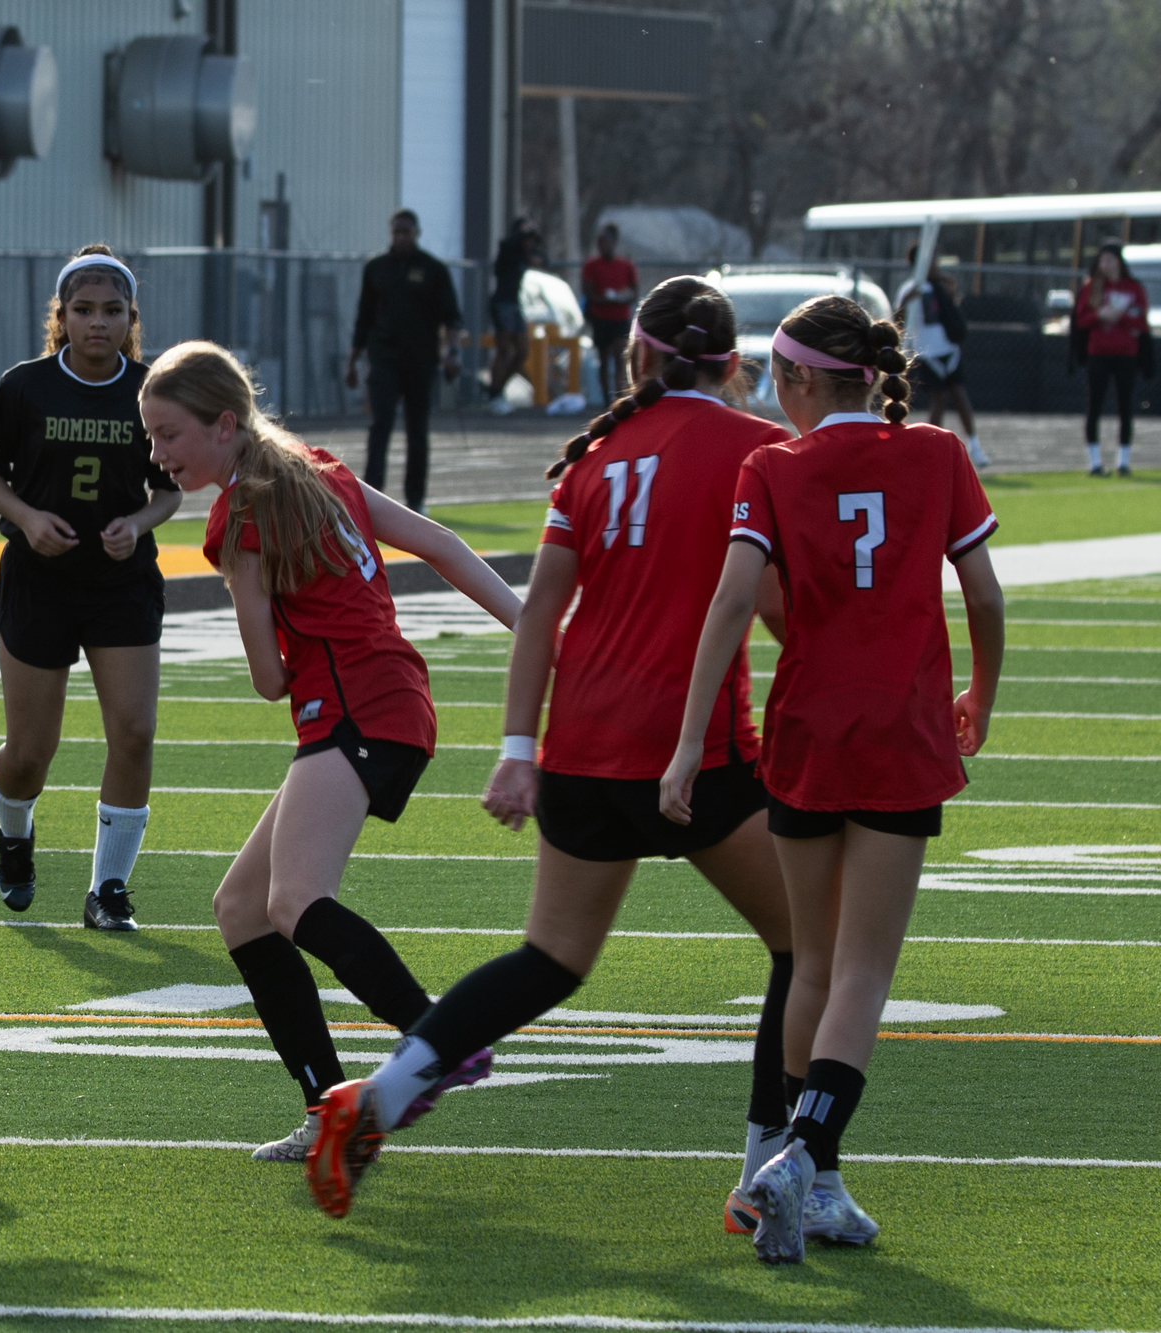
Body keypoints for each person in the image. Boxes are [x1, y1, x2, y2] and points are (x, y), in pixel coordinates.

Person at [303, 279, 820, 1234]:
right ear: (734, 364)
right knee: (806, 948)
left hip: (581, 747)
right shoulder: (761, 452)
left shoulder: (595, 457)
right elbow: (776, 607)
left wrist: (516, 748)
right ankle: (767, 1170)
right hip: (691, 751)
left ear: (635, 359)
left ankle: (373, 1098)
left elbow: (540, 611)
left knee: (550, 959)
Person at [667, 295, 1003, 1264]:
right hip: (896, 733)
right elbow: (980, 590)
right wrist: (978, 689)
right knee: (862, 970)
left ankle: (814, 1176)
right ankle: (803, 1156)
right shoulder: (934, 451)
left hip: (803, 732)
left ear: (801, 378)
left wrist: (689, 741)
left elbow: (732, 602)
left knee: (809, 964)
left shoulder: (768, 465)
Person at [141, 341, 523, 1163]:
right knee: (242, 909)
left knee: (295, 902)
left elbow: (270, 680)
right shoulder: (322, 470)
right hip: (393, 700)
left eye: (169, 435)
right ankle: (325, 1108)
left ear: (224, 424)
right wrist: (533, 634)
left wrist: (258, 600)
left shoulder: (238, 517)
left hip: (348, 707)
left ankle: (435, 1040)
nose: (158, 453)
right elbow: (442, 545)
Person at [0, 246, 181, 931]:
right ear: (61, 316)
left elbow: (169, 489)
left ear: (131, 317)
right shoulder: (25, 386)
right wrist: (25, 518)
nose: (98, 322)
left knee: (136, 731)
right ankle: (14, 831)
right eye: (83, 310)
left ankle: (109, 888)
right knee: (30, 752)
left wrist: (138, 522)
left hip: (120, 582)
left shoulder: (155, 391)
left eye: (112, 310)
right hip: (39, 581)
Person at [345, 209, 464, 513]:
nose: (400, 237)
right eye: (396, 232)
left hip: (420, 361)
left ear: (417, 233)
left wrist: (452, 352)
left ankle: (415, 499)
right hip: (383, 359)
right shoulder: (376, 268)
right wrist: (353, 361)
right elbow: (364, 317)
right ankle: (371, 497)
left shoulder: (433, 270)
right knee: (379, 426)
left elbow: (451, 317)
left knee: (417, 430)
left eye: (406, 232)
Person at [894, 244, 989, 468]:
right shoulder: (909, 289)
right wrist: (907, 301)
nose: (935, 266)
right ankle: (933, 448)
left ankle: (975, 445)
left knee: (960, 395)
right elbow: (897, 321)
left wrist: (952, 294)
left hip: (949, 350)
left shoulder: (941, 286)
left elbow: (952, 314)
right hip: (928, 353)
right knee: (938, 400)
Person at [1073, 240, 1149, 476]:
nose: (1105, 264)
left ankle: (1123, 461)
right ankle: (1094, 462)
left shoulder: (1133, 287)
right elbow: (1081, 320)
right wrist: (1100, 315)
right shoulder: (1092, 287)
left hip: (1126, 354)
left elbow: (1141, 322)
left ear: (1119, 261)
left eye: (1110, 259)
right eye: (1102, 259)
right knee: (1095, 405)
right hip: (1099, 353)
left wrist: (1121, 316)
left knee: (1125, 406)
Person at [486, 217, 543, 414]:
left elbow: (544, 258)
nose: (530, 243)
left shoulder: (526, 253)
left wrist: (533, 237)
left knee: (522, 351)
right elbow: (509, 242)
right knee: (504, 352)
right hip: (501, 303)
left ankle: (497, 388)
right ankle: (494, 395)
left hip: (515, 304)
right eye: (527, 238)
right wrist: (523, 232)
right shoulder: (508, 248)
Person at [580, 224, 638, 401]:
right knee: (603, 359)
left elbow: (634, 290)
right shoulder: (591, 265)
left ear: (614, 243)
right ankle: (606, 399)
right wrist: (604, 300)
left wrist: (622, 297)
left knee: (621, 357)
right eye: (599, 242)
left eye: (605, 242)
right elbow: (588, 291)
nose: (602, 246)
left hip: (620, 317)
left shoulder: (626, 265)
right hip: (600, 317)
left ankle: (620, 397)